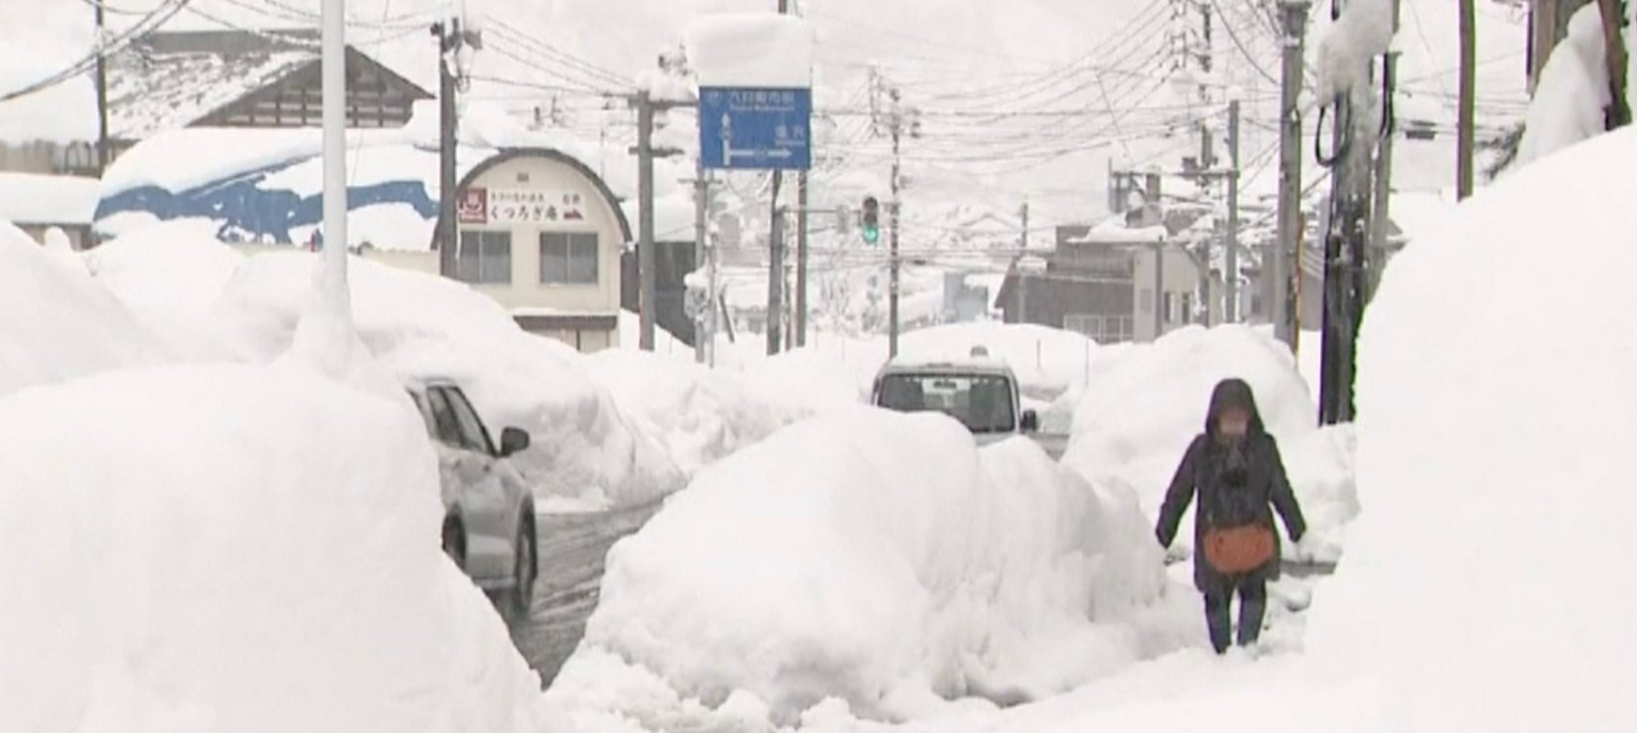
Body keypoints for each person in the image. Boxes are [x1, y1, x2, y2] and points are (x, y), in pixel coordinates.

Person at [1156, 378, 1307, 654]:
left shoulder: (1264, 449)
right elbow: (1179, 493)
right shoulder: (1201, 452)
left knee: (1254, 595)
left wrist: (1298, 530)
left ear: (1251, 418)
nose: (1235, 426)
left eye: (1240, 419)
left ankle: (1246, 651)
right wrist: (1161, 537)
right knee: (1216, 601)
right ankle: (1223, 655)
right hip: (1215, 548)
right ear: (1216, 419)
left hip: (1255, 546)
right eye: (1229, 419)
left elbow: (1282, 491)